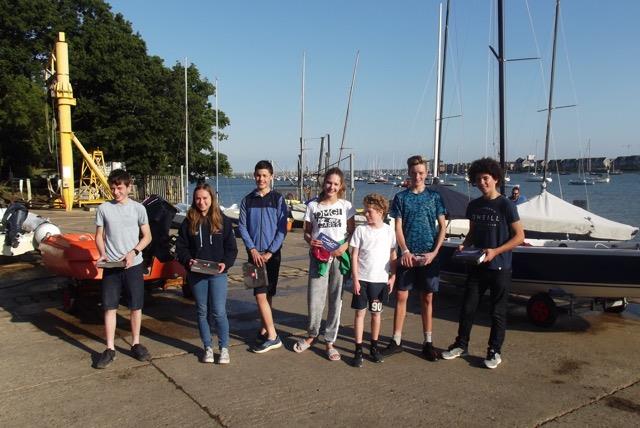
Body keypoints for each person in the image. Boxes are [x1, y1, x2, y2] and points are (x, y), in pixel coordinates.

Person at [441, 157, 524, 369]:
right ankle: (461, 345)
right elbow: (473, 233)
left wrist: (495, 251)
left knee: (497, 312)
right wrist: (465, 246)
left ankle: (494, 351)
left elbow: (519, 237)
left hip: (500, 267)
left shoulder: (506, 205)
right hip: (477, 266)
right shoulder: (474, 205)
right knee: (467, 308)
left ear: (495, 178)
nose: (482, 183)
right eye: (478, 179)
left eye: (485, 178)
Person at [383, 155, 446, 362]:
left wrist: (435, 252)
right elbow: (398, 226)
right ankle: (397, 340)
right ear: (408, 173)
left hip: (429, 256)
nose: (417, 176)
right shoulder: (401, 198)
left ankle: (427, 342)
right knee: (401, 297)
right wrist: (405, 251)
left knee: (427, 297)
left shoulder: (435, 197)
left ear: (426, 174)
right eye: (414, 173)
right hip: (408, 256)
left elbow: (442, 227)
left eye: (421, 173)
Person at [294, 167, 355, 361]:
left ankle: (330, 341)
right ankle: (312, 335)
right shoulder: (313, 206)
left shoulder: (347, 206)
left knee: (336, 298)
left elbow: (353, 232)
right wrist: (309, 240)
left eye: (336, 184)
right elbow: (306, 231)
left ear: (341, 186)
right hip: (318, 256)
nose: (332, 186)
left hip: (338, 256)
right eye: (329, 182)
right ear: (324, 183)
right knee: (315, 298)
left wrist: (344, 247)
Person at [94, 169, 152, 369]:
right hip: (112, 266)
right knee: (109, 307)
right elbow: (99, 236)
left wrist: (133, 252)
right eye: (113, 188)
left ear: (128, 187)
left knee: (136, 306)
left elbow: (147, 237)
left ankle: (136, 343)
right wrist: (102, 253)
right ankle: (110, 348)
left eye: (119, 188)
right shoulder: (103, 209)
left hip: (133, 265)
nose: (116, 192)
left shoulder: (138, 209)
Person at [176, 183, 238, 364]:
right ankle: (208, 348)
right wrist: (188, 260)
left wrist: (225, 264)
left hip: (217, 273)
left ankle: (224, 348)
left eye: (205, 198)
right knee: (202, 312)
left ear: (212, 199)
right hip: (197, 274)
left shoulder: (223, 221)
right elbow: (181, 247)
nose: (201, 202)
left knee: (219, 311)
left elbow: (231, 249)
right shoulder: (189, 221)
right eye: (198, 198)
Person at [238, 160, 288, 353]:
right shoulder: (247, 200)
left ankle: (267, 330)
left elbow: (282, 229)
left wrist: (269, 252)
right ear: (254, 176)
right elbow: (242, 226)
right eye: (258, 175)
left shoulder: (278, 199)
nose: (261, 178)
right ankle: (272, 335)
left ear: (271, 177)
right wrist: (252, 250)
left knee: (268, 294)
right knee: (259, 295)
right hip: (254, 256)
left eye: (265, 175)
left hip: (272, 255)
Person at [350, 194, 397, 367]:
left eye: (369, 212)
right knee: (360, 313)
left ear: (380, 211)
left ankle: (374, 347)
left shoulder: (388, 231)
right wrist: (355, 279)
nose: (366, 215)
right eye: (365, 212)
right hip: (362, 279)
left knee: (376, 314)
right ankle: (358, 349)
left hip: (380, 281)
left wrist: (393, 276)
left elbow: (393, 255)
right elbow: (354, 256)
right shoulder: (361, 230)